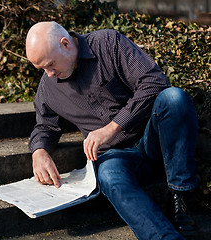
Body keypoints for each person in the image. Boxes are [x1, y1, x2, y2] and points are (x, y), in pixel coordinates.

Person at [26, 21, 199, 240]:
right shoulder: (49, 86)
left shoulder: (108, 43)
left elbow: (154, 83)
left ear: (65, 44)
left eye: (50, 65)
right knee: (107, 175)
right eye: (42, 68)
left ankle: (181, 198)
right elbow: (45, 126)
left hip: (152, 138)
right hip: (115, 158)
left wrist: (112, 128)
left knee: (174, 98)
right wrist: (39, 151)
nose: (48, 74)